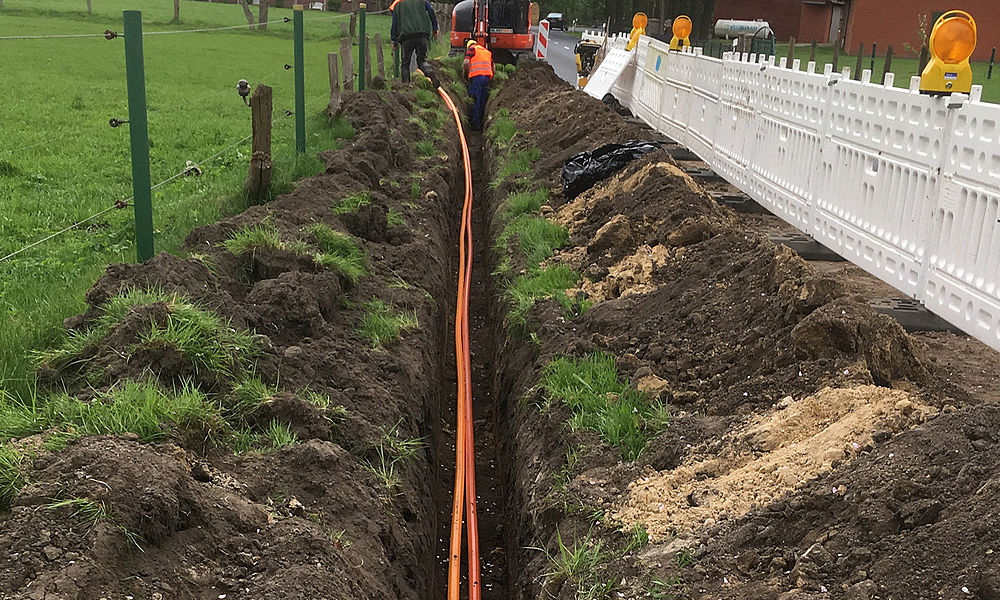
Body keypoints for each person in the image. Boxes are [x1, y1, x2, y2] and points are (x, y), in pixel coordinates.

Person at [390, 0, 439, 84]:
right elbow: (431, 11)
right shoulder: (422, 1)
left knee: (405, 64)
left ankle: (406, 86)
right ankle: (429, 71)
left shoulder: (398, 3)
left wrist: (394, 40)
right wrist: (435, 28)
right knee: (422, 61)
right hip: (423, 35)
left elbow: (395, 22)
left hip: (406, 37)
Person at [463, 38, 493, 130]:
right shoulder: (486, 51)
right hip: (487, 77)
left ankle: (476, 124)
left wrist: (466, 74)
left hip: (476, 77)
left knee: (475, 99)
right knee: (483, 99)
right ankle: (481, 120)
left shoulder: (472, 49)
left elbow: (466, 62)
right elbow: (493, 66)